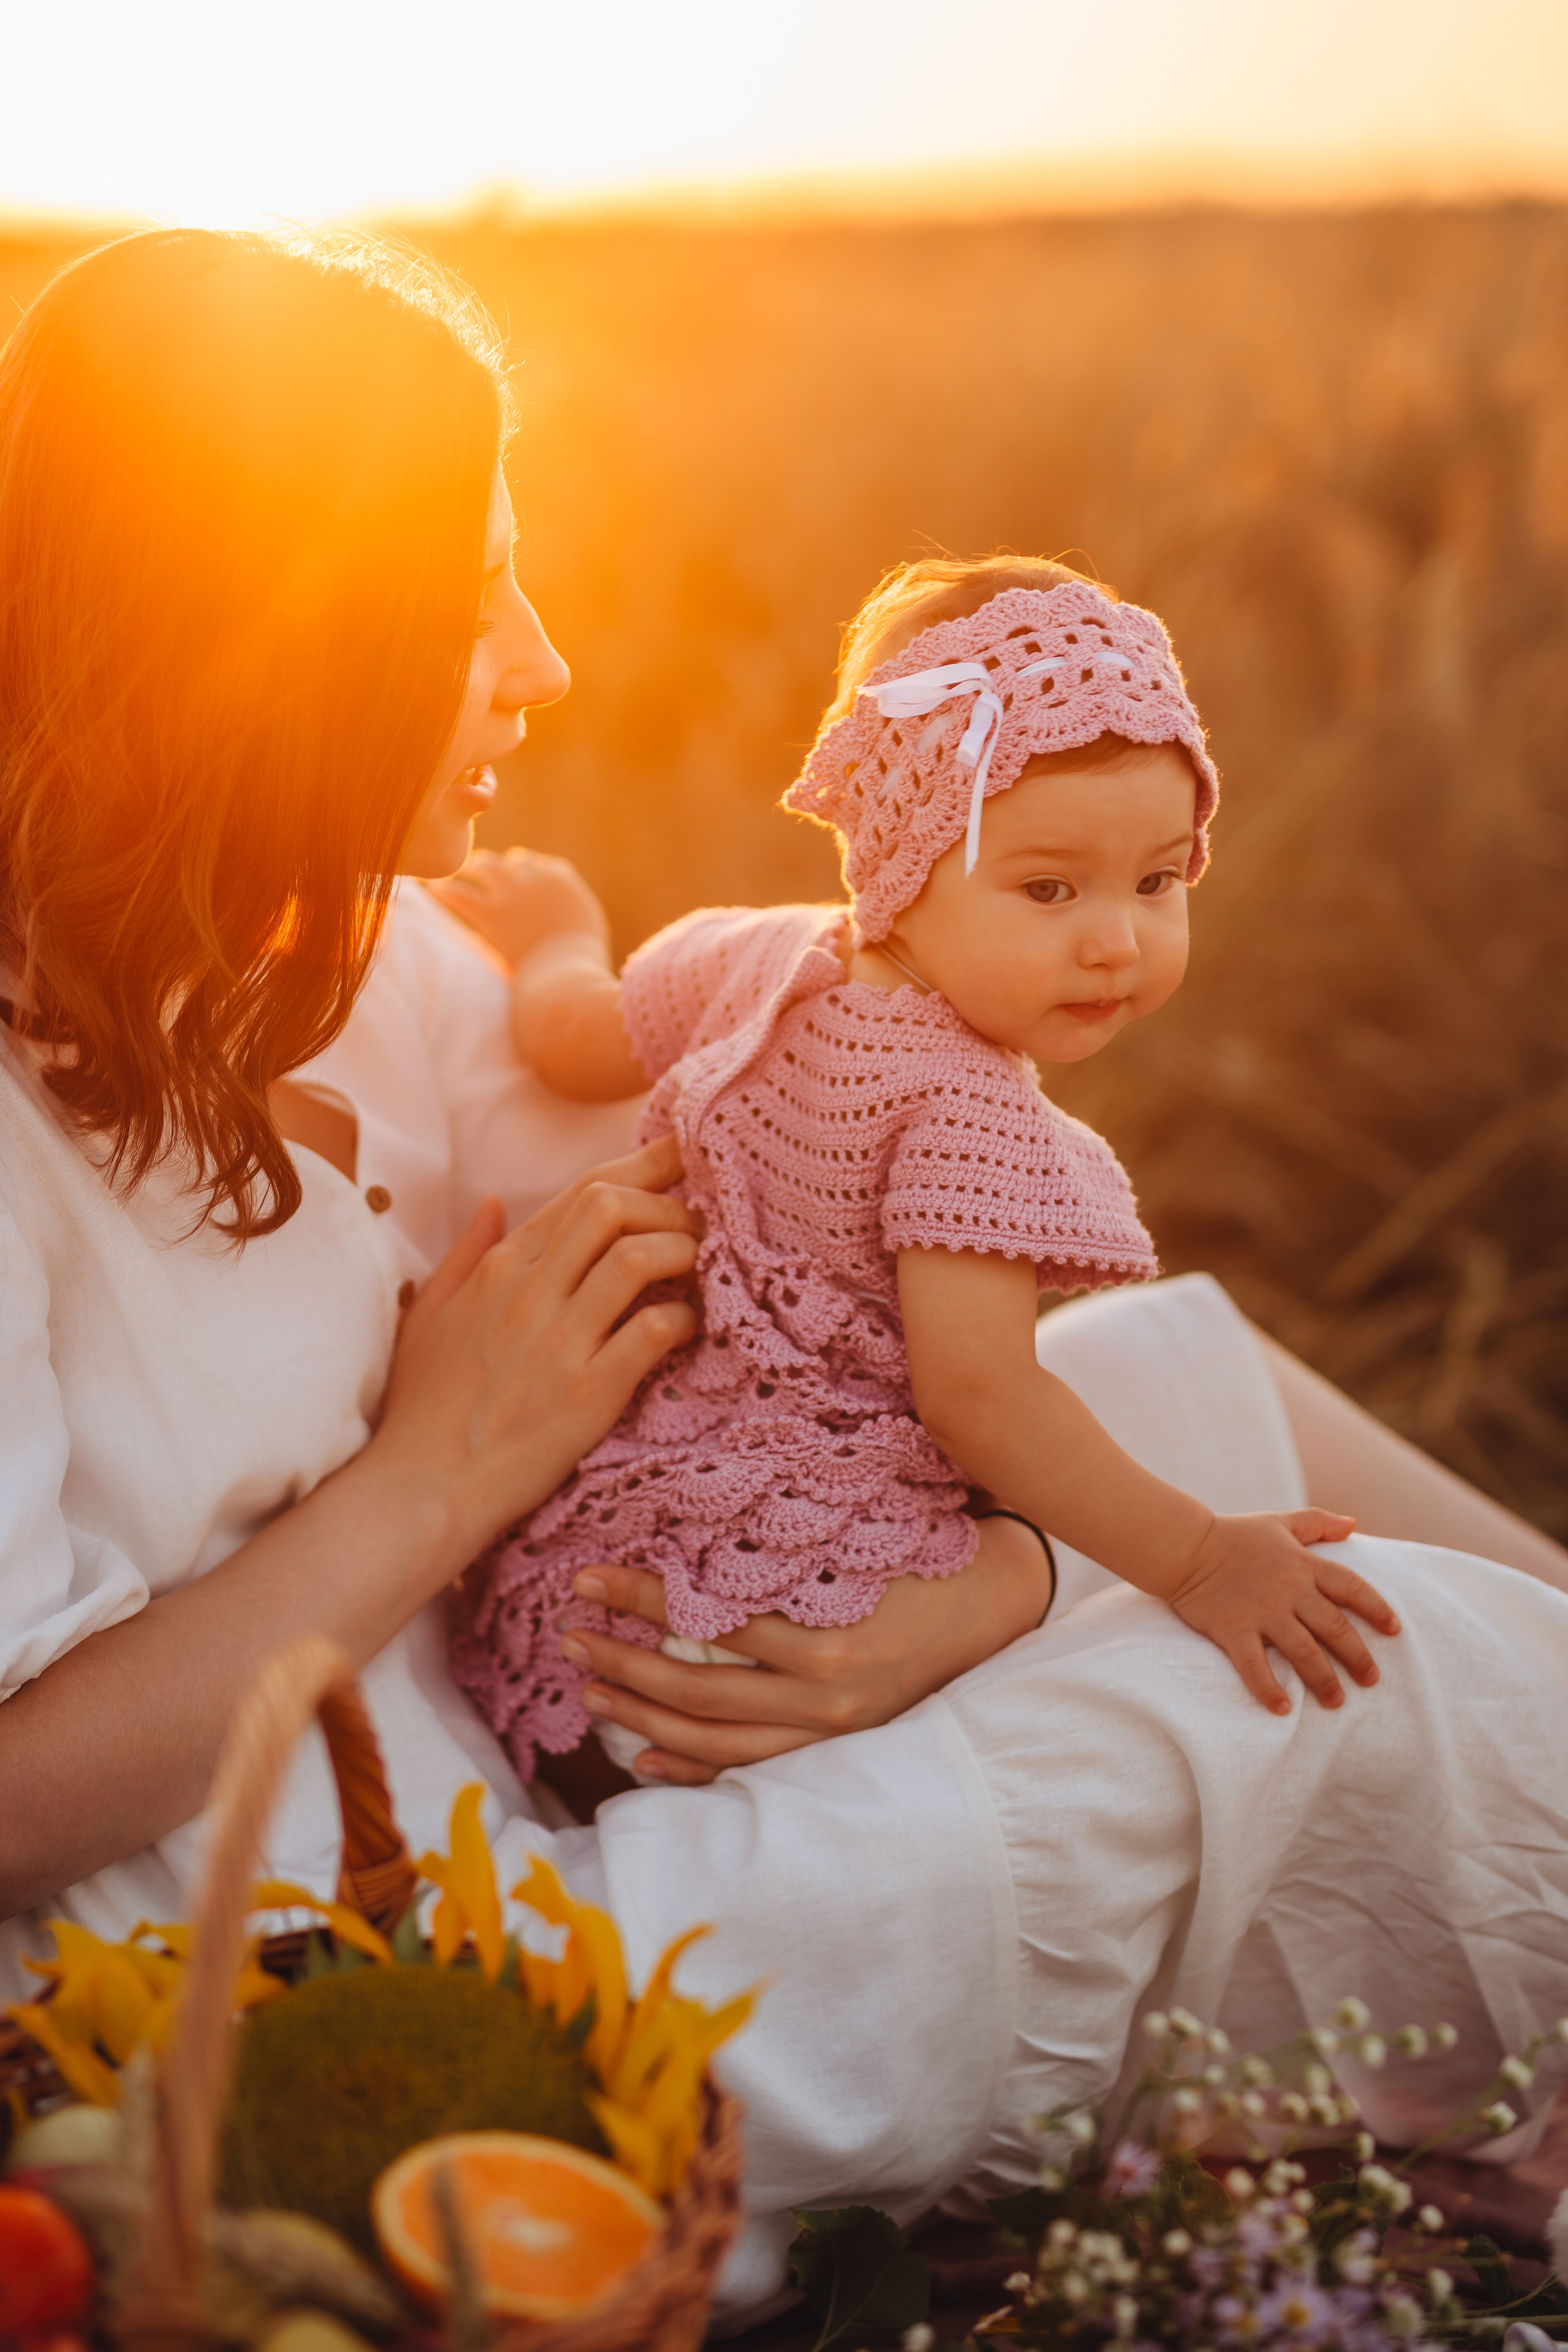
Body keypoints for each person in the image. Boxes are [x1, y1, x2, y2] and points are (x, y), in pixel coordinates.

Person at [2, 226, 1566, 2336]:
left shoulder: (358, 948)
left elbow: (782, 1241)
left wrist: (983, 1598)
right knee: (1400, 1686)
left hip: (615, 1691)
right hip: (376, 1953)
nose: (541, 662)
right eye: (468, 605)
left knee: (1197, 1374)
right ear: (263, 640)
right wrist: (434, 1477)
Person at [443, 557, 1399, 1787]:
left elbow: (569, 1037)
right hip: (786, 1608)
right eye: (1047, 888)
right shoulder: (967, 1117)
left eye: (1158, 880)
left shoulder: (748, 956)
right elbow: (980, 1399)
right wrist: (1203, 1560)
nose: (1115, 940)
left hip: (594, 1571)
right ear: (898, 855)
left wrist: (557, 939)